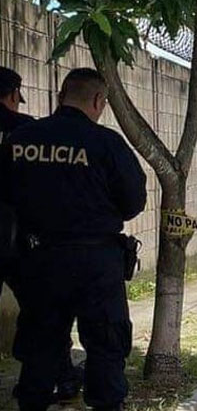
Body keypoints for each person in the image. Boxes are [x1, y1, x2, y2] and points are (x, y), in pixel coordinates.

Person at [0, 68, 147, 411]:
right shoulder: (106, 143)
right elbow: (133, 202)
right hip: (97, 262)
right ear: (98, 100)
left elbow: (4, 196)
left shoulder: (20, 140)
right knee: (106, 347)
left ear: (61, 93)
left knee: (40, 347)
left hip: (38, 259)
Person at [0, 66, 85, 405]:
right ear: (11, 96)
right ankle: (60, 378)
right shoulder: (28, 132)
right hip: (16, 238)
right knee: (46, 313)